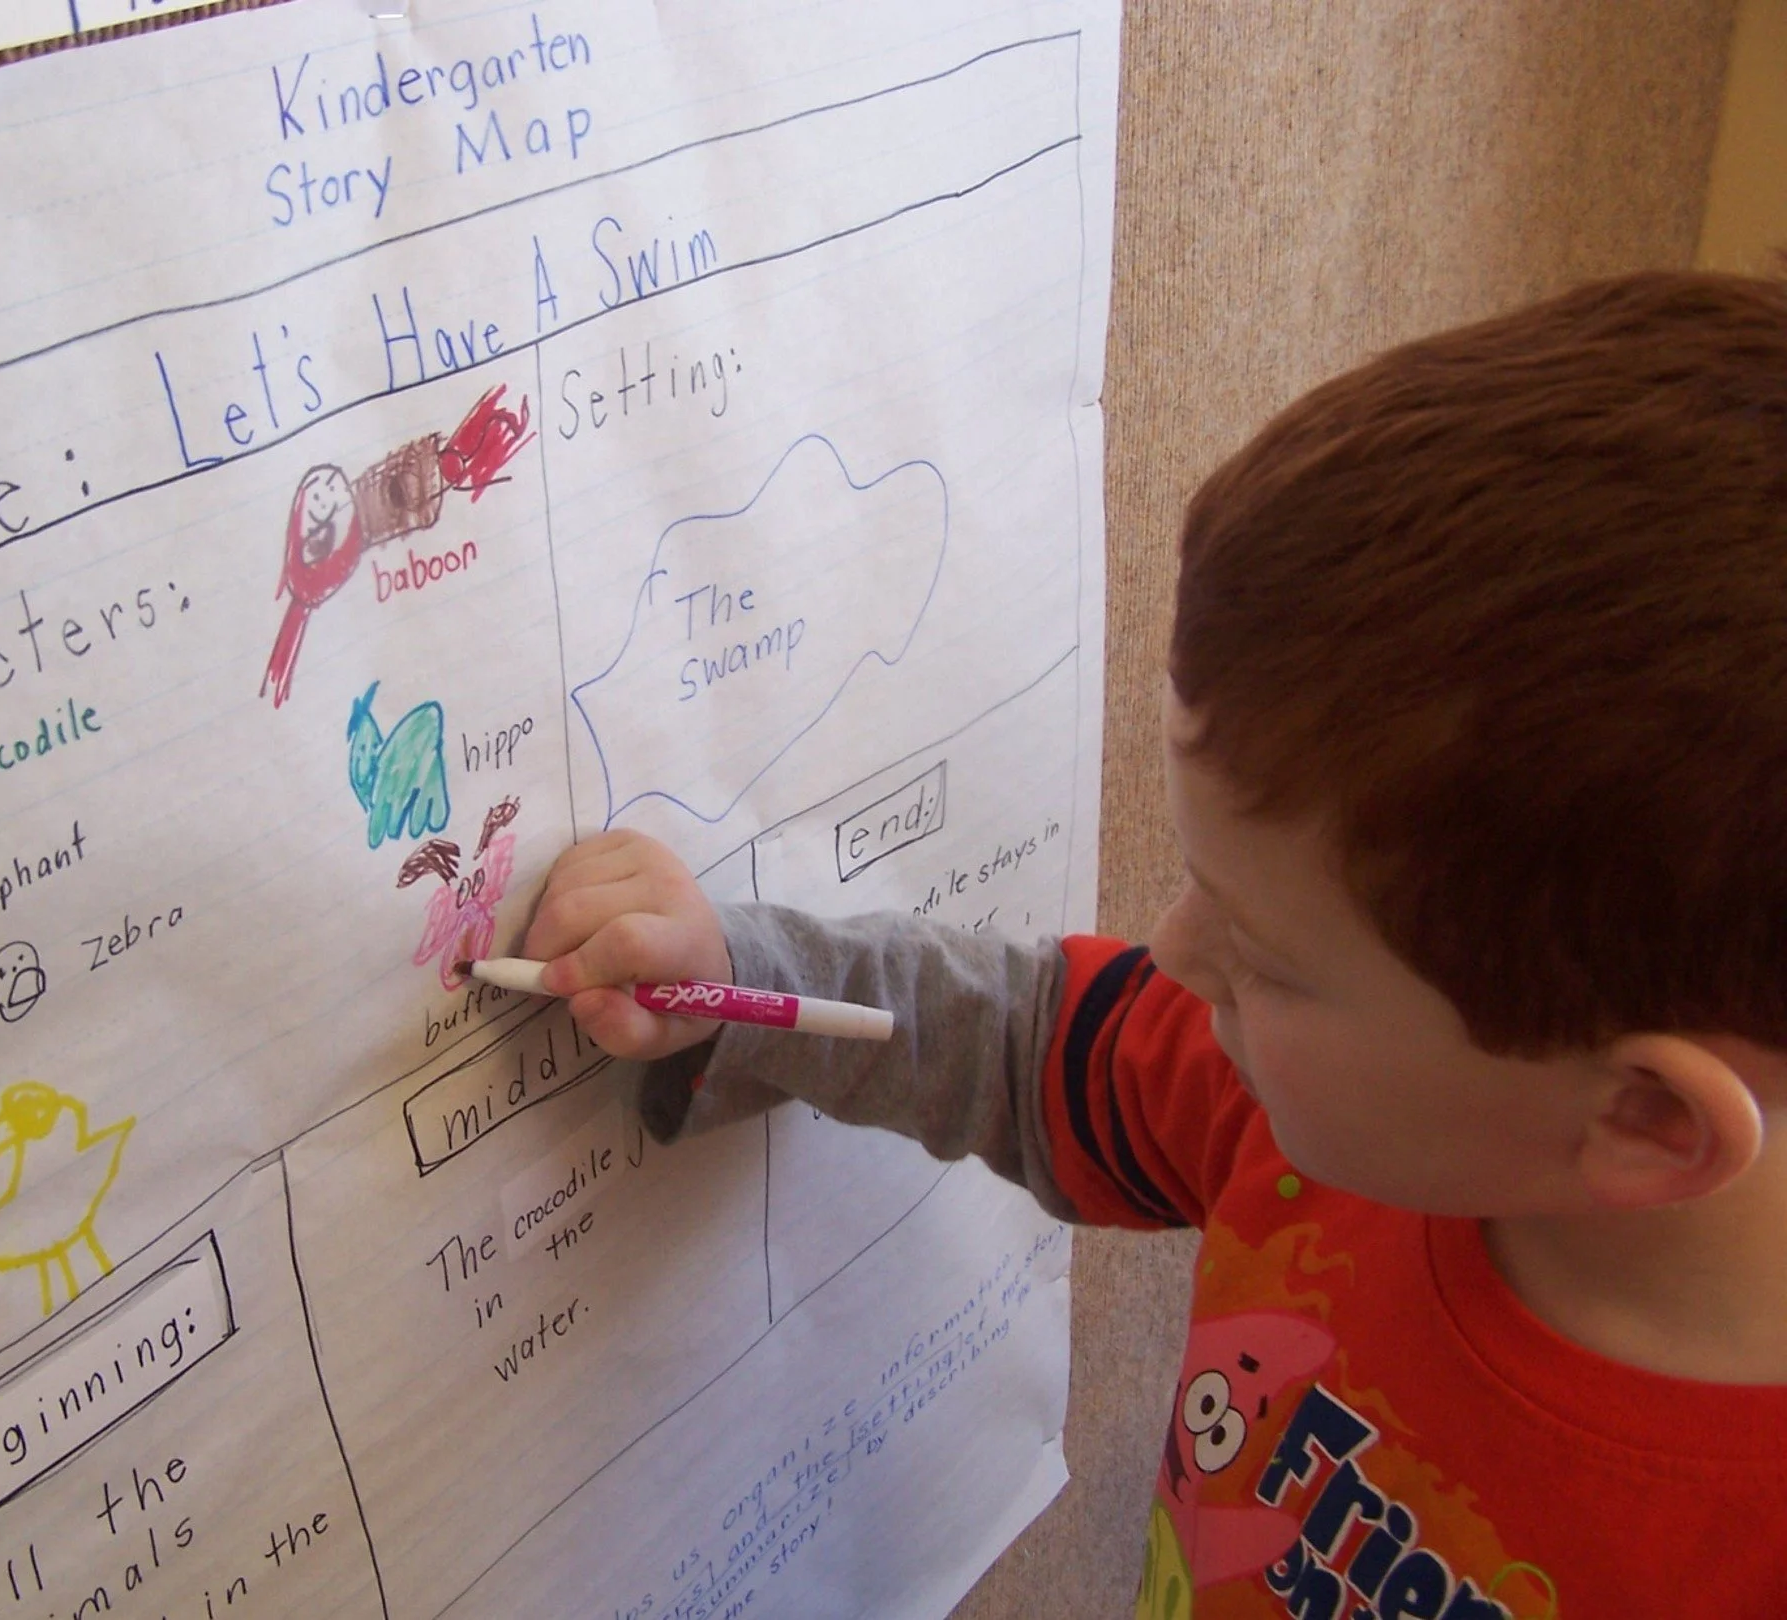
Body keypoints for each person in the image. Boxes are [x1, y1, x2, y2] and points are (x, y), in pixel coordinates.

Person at [519, 272, 1787, 1616]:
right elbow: (1020, 1043)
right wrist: (739, 979)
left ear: (1647, 1119)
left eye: (1270, 958)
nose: (1175, 954)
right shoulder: (1322, 1101)